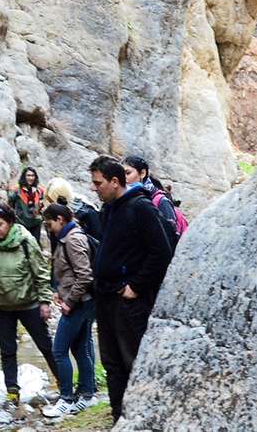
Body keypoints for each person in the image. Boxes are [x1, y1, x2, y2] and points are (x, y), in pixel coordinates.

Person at [89, 155, 174, 422]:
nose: (94, 188)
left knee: (133, 360)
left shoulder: (140, 208)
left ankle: (144, 418)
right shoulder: (108, 210)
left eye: (98, 183)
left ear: (115, 181)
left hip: (128, 302)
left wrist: (135, 286)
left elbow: (162, 252)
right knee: (112, 363)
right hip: (106, 297)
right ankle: (120, 418)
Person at [0, 204, 55, 406]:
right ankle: (12, 392)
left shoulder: (25, 240)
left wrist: (44, 301)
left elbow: (40, 271)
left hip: (28, 304)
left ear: (10, 223)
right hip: (1, 306)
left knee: (45, 345)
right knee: (7, 350)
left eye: (0, 224)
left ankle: (64, 384)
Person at [38, 202, 98, 417]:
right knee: (80, 349)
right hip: (83, 302)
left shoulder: (72, 239)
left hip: (79, 304)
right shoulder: (69, 237)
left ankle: (66, 399)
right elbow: (70, 273)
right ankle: (87, 394)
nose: (48, 229)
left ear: (60, 220)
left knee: (59, 351)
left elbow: (85, 275)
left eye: (49, 224)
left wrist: (69, 302)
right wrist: (59, 291)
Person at [122, 154, 184, 242]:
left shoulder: (160, 201)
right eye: (121, 174)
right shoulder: (125, 200)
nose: (124, 178)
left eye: (128, 173)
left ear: (142, 173)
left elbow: (170, 236)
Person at [7, 167, 46, 240]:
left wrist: (40, 214)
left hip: (35, 223)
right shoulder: (17, 190)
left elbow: (42, 204)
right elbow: (10, 204)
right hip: (21, 223)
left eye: (32, 175)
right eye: (28, 175)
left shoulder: (39, 190)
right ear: (24, 177)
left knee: (35, 243)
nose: (31, 178)